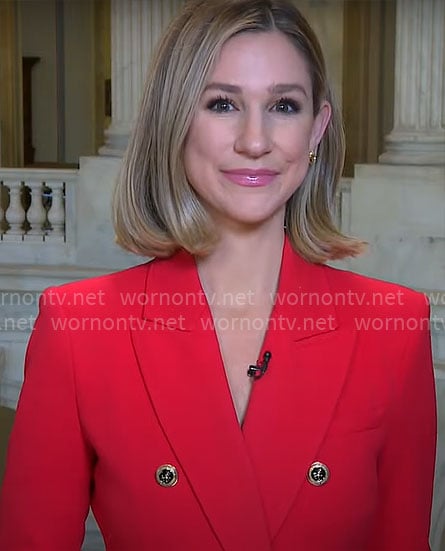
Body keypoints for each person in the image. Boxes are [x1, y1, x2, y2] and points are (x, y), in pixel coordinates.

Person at [0, 0, 437, 549]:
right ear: (175, 121)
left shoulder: (395, 329)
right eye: (223, 103)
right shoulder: (77, 331)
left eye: (283, 105)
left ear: (317, 128)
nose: (255, 141)